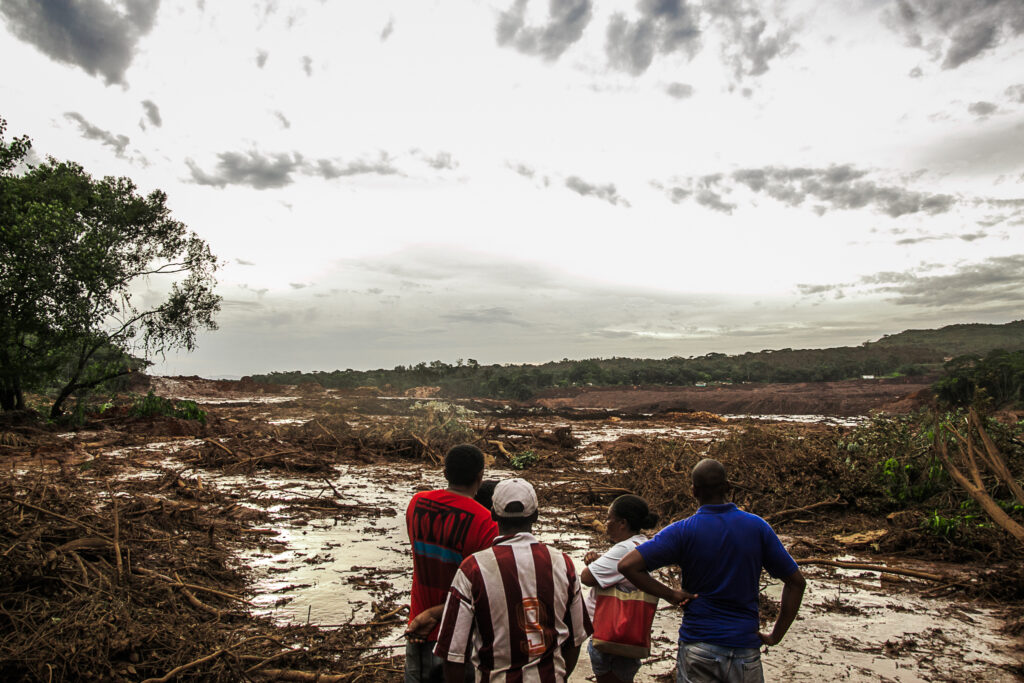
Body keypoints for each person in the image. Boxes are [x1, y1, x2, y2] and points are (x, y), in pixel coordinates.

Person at [618, 459, 806, 683]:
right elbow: (796, 582)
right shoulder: (757, 527)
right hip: (745, 648)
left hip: (699, 645)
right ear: (728, 487)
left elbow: (627, 566)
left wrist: (671, 595)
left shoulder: (683, 531)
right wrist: (776, 635)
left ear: (693, 491)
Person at [433, 478, 592, 682]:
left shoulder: (472, 568)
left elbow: (453, 653)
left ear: (492, 513)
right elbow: (576, 640)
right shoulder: (563, 564)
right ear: (535, 515)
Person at [404, 444, 499, 683]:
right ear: (480, 476)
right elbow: (482, 588)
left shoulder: (417, 503)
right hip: (458, 635)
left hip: (416, 626)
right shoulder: (486, 521)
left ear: (445, 474)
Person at [581, 495, 660, 683]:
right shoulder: (641, 544)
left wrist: (597, 564)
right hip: (628, 632)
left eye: (609, 518)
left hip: (611, 634)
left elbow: (587, 577)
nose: (606, 523)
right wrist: (600, 560)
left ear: (622, 523)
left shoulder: (623, 550)